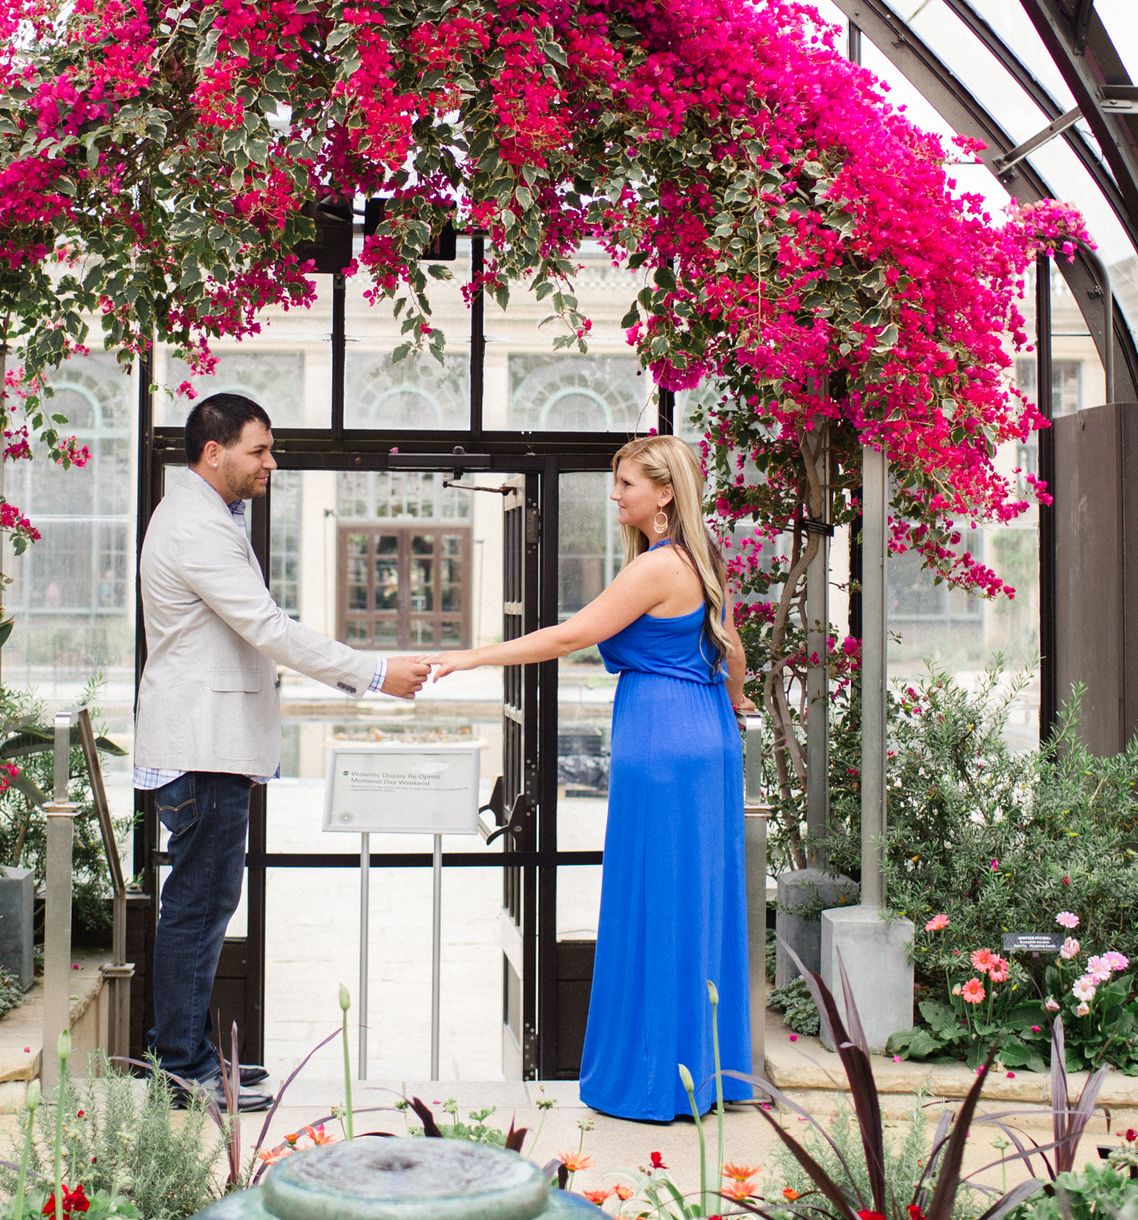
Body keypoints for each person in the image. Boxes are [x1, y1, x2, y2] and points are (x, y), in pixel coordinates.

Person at [422, 433, 755, 1121]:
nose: (615, 494)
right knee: (694, 899)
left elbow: (571, 635)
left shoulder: (658, 567)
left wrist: (475, 655)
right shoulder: (700, 559)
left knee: (657, 900)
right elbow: (734, 650)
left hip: (663, 737)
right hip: (703, 733)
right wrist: (736, 703)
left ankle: (656, 1077)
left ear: (664, 493)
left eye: (626, 483)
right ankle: (702, 1071)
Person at [133, 391, 432, 1110]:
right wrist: (374, 671)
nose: (272, 462)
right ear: (215, 452)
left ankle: (193, 1056)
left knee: (201, 907)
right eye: (259, 450)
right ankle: (183, 1070)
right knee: (198, 911)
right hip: (203, 751)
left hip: (209, 747)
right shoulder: (196, 527)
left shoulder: (208, 517)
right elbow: (267, 626)